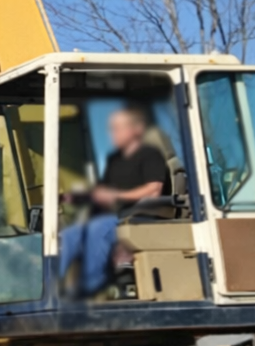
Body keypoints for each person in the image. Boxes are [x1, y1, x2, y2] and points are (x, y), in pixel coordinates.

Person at [59, 107, 171, 297]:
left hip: (141, 216)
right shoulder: (114, 159)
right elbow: (102, 191)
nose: (113, 133)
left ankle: (89, 288)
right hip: (117, 216)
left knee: (98, 228)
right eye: (112, 128)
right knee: (69, 235)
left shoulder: (149, 155)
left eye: (119, 128)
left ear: (137, 129)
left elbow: (154, 189)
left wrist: (117, 196)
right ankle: (52, 287)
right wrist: (74, 197)